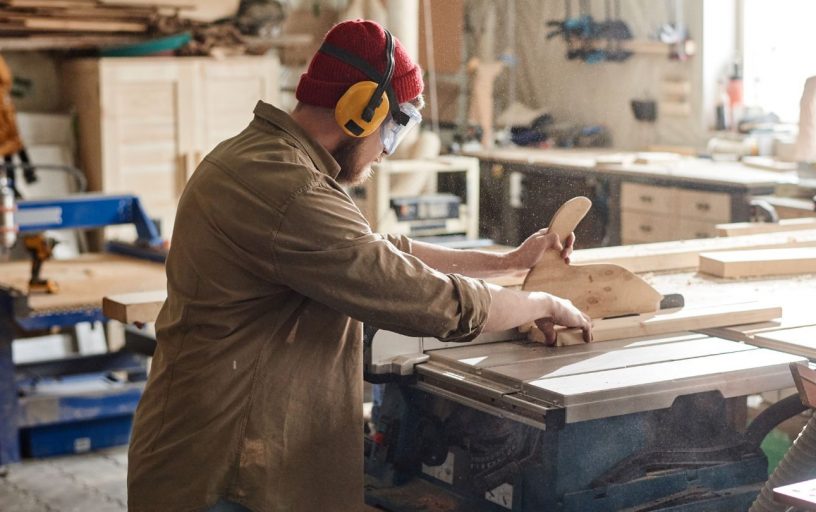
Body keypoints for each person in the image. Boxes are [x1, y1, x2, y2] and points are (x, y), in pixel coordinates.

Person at [127, 19, 592, 512]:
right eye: (395, 128)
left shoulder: (261, 158)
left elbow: (373, 249)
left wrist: (504, 263)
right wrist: (539, 302)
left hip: (214, 449)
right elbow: (422, 299)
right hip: (227, 471)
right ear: (362, 111)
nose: (386, 152)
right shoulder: (290, 189)